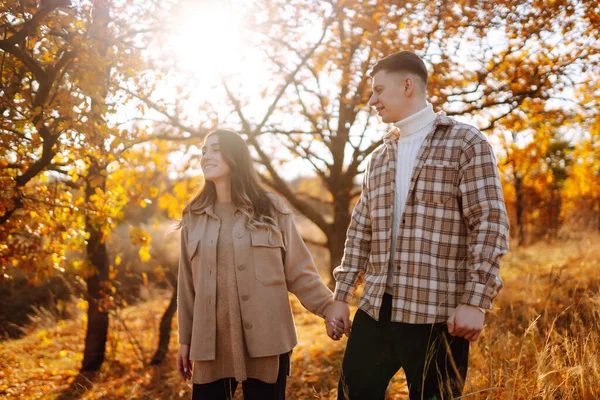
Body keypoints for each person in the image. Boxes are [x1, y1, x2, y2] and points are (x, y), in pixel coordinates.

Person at [325, 51, 510, 399]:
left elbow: (490, 223)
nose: (373, 100)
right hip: (376, 309)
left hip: (438, 315)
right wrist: (341, 296)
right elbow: (360, 231)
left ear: (407, 85)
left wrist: (476, 301)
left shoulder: (466, 143)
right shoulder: (379, 159)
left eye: (379, 90)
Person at [175, 129, 346, 400]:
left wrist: (329, 308)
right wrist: (185, 340)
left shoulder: (271, 208)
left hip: (268, 339)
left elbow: (300, 271)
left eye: (214, 149)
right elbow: (186, 287)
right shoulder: (193, 216)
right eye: (203, 150)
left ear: (235, 156)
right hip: (211, 344)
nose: (206, 155)